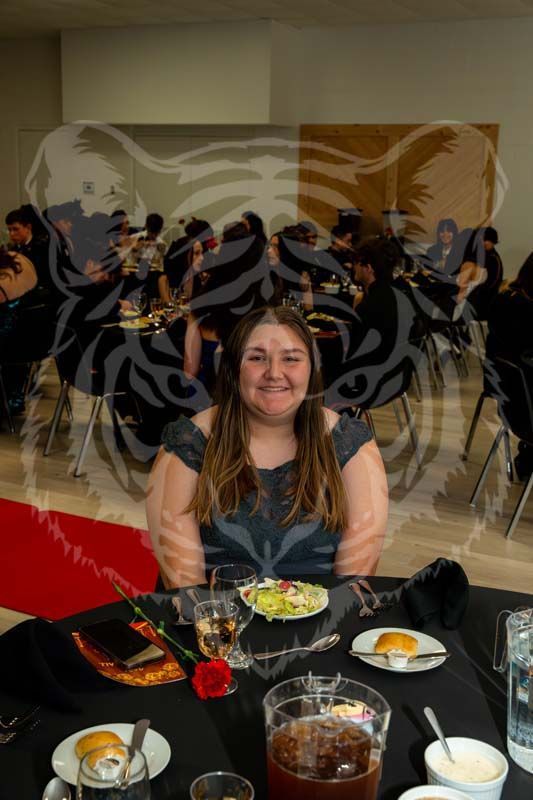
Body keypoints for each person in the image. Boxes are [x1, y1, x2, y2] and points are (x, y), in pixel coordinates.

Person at [147, 306, 387, 587]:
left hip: (323, 622)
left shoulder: (352, 445)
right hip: (220, 621)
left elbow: (353, 585)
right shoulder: (186, 446)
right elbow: (185, 590)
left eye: (291, 359)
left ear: (312, 368)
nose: (274, 373)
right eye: (258, 358)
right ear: (234, 368)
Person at [183, 222, 272, 397]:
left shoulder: (201, 306)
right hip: (251, 400)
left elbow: (189, 371)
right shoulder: (266, 313)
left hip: (207, 399)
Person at [468, 227, 503, 320]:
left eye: (486, 240)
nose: (482, 243)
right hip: (471, 296)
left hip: (483, 300)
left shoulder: (494, 259)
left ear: (493, 242)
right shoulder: (477, 253)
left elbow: (492, 283)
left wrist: (474, 288)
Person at [161, 235, 204, 303]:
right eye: (196, 253)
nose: (202, 258)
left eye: (202, 253)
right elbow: (169, 309)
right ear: (184, 254)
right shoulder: (165, 280)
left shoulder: (196, 278)